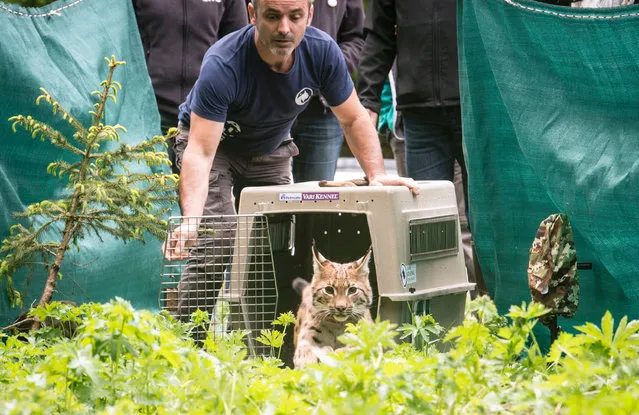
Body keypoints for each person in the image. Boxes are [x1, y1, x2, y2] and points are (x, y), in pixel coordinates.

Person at [162, 0, 418, 321]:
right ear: (253, 13)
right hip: (216, 145)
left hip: (271, 145)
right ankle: (189, 345)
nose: (285, 28)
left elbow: (353, 119)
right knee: (218, 237)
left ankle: (262, 348)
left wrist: (376, 175)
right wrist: (191, 222)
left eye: (295, 16)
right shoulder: (224, 62)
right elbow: (200, 152)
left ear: (309, 14)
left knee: (278, 244)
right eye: (272, 16)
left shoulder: (322, 52)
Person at [357, 0, 481, 292]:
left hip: (477, 107)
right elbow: (379, 35)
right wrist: (368, 100)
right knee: (426, 227)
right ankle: (436, 321)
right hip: (419, 116)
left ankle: (492, 316)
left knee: (486, 224)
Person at [133, 0, 248, 174]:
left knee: (196, 198)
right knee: (154, 195)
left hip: (203, 116)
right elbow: (121, 38)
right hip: (150, 115)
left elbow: (237, 47)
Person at [290, 0, 365, 182]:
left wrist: (331, 67)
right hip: (268, 103)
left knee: (316, 200)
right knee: (264, 196)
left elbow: (356, 37)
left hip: (323, 109)